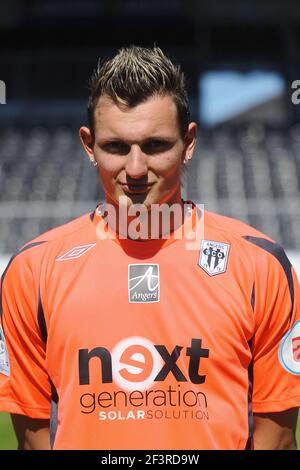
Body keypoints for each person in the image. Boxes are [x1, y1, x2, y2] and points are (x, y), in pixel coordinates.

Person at [0, 46, 300, 451]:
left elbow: (277, 439)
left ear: (188, 142)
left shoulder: (260, 265)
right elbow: (33, 442)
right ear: (89, 146)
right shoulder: (31, 271)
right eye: (116, 147)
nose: (136, 169)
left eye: (156, 145)